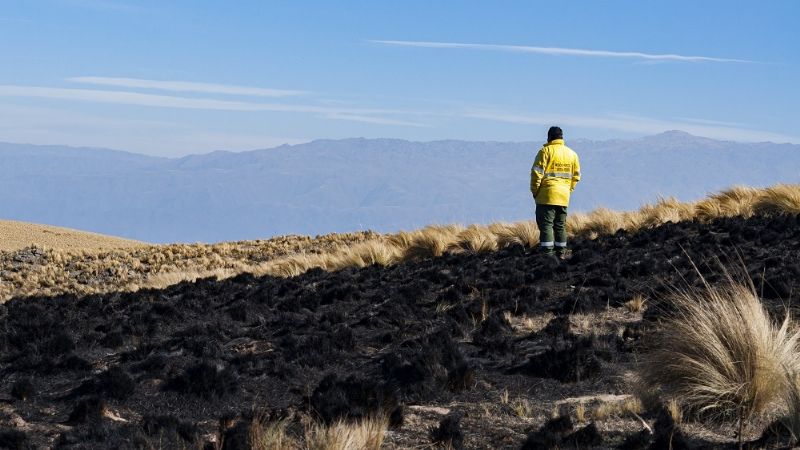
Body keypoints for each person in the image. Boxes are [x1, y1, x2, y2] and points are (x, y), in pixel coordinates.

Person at [530, 126, 581, 258]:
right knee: (560, 225)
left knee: (546, 224)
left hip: (546, 195)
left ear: (549, 137)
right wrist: (568, 190)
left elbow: (536, 174)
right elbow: (576, 176)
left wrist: (535, 191)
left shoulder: (545, 151)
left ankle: (547, 253)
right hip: (563, 196)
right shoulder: (572, 154)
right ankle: (562, 252)